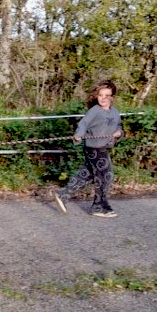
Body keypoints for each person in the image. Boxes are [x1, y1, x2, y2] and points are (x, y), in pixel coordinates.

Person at [53, 80, 124, 218]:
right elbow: (83, 124)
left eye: (107, 95)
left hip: (104, 147)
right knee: (106, 176)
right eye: (100, 95)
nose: (103, 98)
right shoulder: (94, 111)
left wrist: (119, 133)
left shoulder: (115, 112)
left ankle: (63, 195)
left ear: (112, 97)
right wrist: (79, 135)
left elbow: (119, 127)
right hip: (94, 148)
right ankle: (99, 206)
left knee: (87, 174)